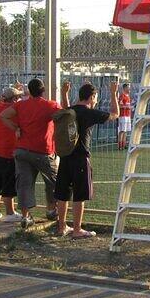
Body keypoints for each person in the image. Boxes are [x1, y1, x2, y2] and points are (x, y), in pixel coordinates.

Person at [55, 81, 119, 238]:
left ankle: (62, 227)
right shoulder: (89, 113)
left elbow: (65, 108)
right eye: (95, 97)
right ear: (92, 97)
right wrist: (113, 93)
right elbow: (115, 114)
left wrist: (64, 94)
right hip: (80, 158)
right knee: (79, 195)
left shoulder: (70, 111)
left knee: (63, 193)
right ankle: (77, 229)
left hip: (65, 156)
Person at [0, 78, 60, 228]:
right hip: (43, 151)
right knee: (53, 182)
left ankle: (26, 217)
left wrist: (16, 128)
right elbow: (65, 116)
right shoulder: (50, 105)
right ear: (43, 90)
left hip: (23, 150)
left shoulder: (21, 105)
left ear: (29, 91)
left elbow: (3, 115)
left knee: (24, 184)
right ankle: (51, 210)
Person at [0, 85, 25, 222]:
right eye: (18, 97)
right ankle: (10, 213)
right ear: (14, 99)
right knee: (9, 183)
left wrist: (14, 90)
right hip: (9, 152)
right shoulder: (15, 110)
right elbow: (25, 102)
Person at [117, 83, 131, 150]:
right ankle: (120, 146)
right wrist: (126, 107)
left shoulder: (128, 96)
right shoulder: (122, 96)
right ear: (125, 88)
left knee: (125, 131)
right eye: (128, 87)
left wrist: (130, 107)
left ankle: (124, 144)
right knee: (122, 130)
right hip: (123, 115)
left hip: (128, 115)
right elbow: (118, 105)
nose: (129, 89)